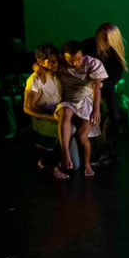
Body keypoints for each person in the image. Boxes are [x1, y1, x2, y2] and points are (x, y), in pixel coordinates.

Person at [22, 43, 76, 179]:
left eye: (56, 60)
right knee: (71, 128)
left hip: (60, 116)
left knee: (75, 165)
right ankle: (52, 166)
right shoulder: (35, 79)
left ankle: (48, 155)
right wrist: (50, 117)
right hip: (42, 120)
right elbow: (27, 107)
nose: (55, 64)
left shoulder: (58, 74)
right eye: (51, 61)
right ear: (40, 62)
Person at [56, 39, 107, 177]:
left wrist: (96, 110)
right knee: (66, 112)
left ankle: (87, 164)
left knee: (82, 135)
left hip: (86, 100)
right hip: (69, 100)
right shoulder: (60, 63)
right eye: (71, 60)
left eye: (78, 59)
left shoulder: (92, 63)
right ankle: (65, 153)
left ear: (82, 54)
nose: (75, 63)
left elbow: (97, 88)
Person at [83, 23, 129, 142]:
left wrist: (102, 84)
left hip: (105, 85)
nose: (103, 42)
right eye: (101, 38)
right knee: (85, 114)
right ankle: (90, 143)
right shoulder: (87, 45)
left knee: (114, 116)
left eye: (106, 39)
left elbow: (116, 75)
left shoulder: (115, 51)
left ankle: (106, 144)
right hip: (85, 84)